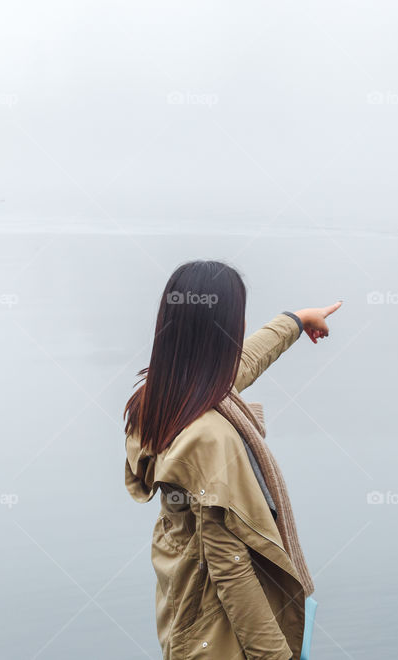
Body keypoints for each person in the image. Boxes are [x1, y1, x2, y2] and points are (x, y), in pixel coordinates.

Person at [124, 260, 341, 659]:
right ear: (223, 333)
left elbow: (236, 369)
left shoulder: (159, 399)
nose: (242, 329)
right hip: (221, 639)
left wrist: (294, 321)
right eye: (238, 319)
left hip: (185, 617)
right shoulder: (210, 438)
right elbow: (231, 565)